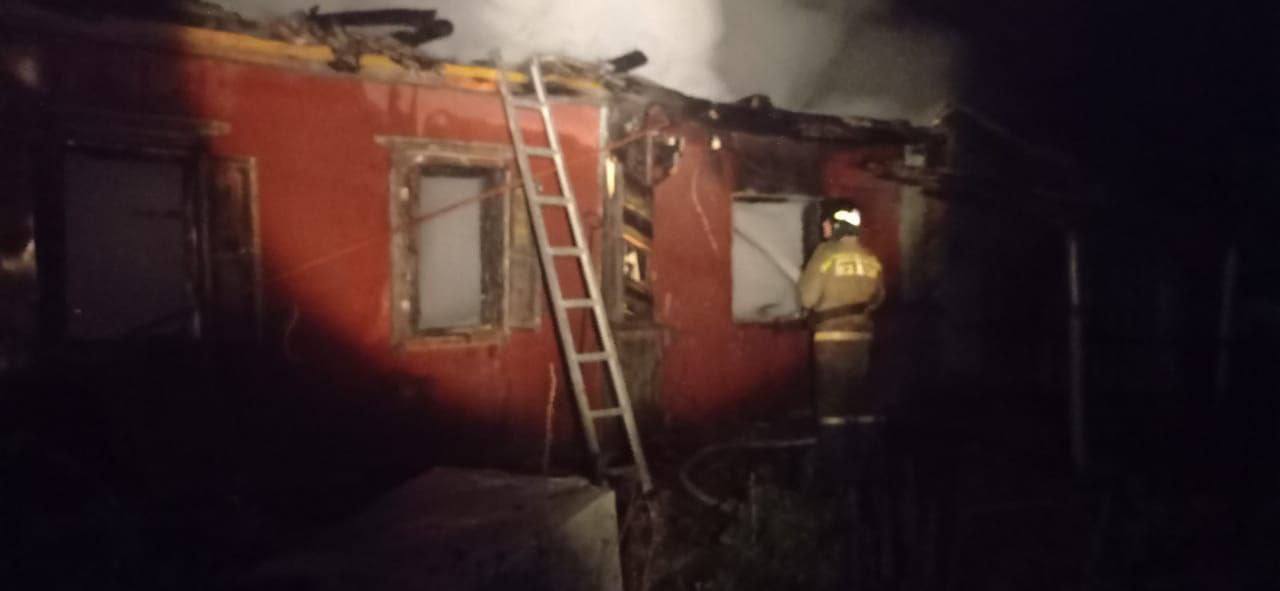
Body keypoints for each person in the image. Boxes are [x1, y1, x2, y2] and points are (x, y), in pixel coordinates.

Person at [797, 206, 884, 489]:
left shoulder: (825, 255)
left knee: (832, 406)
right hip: (863, 340)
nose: (824, 230)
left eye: (827, 225)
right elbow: (878, 298)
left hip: (832, 341)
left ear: (838, 228)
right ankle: (868, 469)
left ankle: (835, 474)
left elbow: (807, 298)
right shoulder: (870, 259)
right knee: (861, 402)